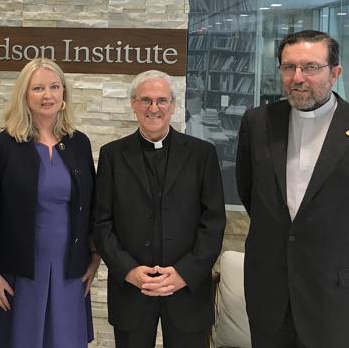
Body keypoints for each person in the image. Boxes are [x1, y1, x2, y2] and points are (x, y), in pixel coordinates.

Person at [0, 58, 100, 348]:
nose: (48, 95)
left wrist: (95, 258)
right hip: (19, 270)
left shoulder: (79, 143)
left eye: (55, 87)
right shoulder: (7, 144)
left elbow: (92, 207)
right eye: (38, 88)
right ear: (24, 95)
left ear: (64, 93)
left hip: (70, 268)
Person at [94, 70, 225, 348]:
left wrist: (184, 274)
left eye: (162, 100)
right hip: (131, 289)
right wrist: (128, 270)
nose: (154, 108)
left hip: (188, 290)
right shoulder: (112, 155)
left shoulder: (202, 154)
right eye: (145, 100)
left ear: (173, 106)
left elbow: (213, 223)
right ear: (133, 104)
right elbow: (101, 222)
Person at [236, 30, 348, 347]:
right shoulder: (257, 122)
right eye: (289, 67)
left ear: (335, 73)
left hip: (333, 294)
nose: (298, 78)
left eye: (310, 67)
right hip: (269, 292)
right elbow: (249, 192)